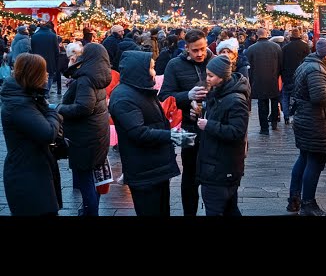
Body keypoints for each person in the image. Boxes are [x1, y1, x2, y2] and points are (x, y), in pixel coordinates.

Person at [108, 51, 188, 216]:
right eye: (152, 68)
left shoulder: (141, 90)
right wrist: (172, 136)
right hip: (144, 171)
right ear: (140, 70)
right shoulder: (124, 97)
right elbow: (138, 132)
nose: (154, 72)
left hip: (156, 167)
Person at [158, 28, 212, 216]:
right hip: (188, 128)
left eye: (202, 49)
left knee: (212, 171)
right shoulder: (174, 65)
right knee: (189, 173)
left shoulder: (213, 62)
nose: (200, 54)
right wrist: (186, 96)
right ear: (186, 48)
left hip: (211, 127)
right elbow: (165, 96)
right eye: (195, 50)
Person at [1, 53, 63, 216]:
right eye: (44, 71)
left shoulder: (28, 97)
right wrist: (53, 113)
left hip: (34, 171)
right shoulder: (19, 104)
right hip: (28, 177)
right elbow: (47, 133)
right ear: (34, 75)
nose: (47, 74)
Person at [57, 43, 112, 216]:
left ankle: (90, 212)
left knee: (85, 178)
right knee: (91, 178)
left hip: (85, 137)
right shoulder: (98, 76)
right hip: (96, 134)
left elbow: (83, 107)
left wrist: (58, 108)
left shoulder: (86, 79)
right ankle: (90, 209)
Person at [193, 54, 250, 216]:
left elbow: (237, 132)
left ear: (223, 77)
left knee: (217, 208)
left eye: (211, 75)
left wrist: (208, 125)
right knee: (229, 209)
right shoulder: (218, 94)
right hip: (218, 165)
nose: (207, 79)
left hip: (221, 166)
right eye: (207, 74)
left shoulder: (235, 100)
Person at [287, 38, 326, 216]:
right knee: (314, 162)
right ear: (325, 54)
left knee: (304, 158)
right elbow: (319, 97)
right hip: (315, 122)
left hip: (307, 120)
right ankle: (308, 203)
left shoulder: (309, 65)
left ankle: (294, 199)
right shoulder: (316, 70)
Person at [244, 28, 283, 134]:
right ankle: (274, 122)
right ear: (267, 34)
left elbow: (248, 67)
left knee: (262, 105)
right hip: (273, 79)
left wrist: (251, 80)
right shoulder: (276, 47)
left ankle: (264, 128)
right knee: (274, 101)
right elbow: (281, 64)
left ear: (257, 35)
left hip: (258, 80)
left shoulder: (251, 48)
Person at [281, 28, 310, 125]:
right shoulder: (305, 46)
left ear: (291, 36)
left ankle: (286, 116)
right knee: (299, 96)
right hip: (301, 75)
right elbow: (308, 61)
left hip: (288, 76)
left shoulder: (285, 48)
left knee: (285, 96)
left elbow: (282, 63)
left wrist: (282, 74)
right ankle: (294, 113)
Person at [31, 21, 59, 93]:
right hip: (50, 59)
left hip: (37, 59)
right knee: (50, 76)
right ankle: (46, 92)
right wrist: (56, 61)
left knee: (39, 75)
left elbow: (32, 49)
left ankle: (40, 90)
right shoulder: (52, 35)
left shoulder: (34, 36)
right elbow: (56, 50)